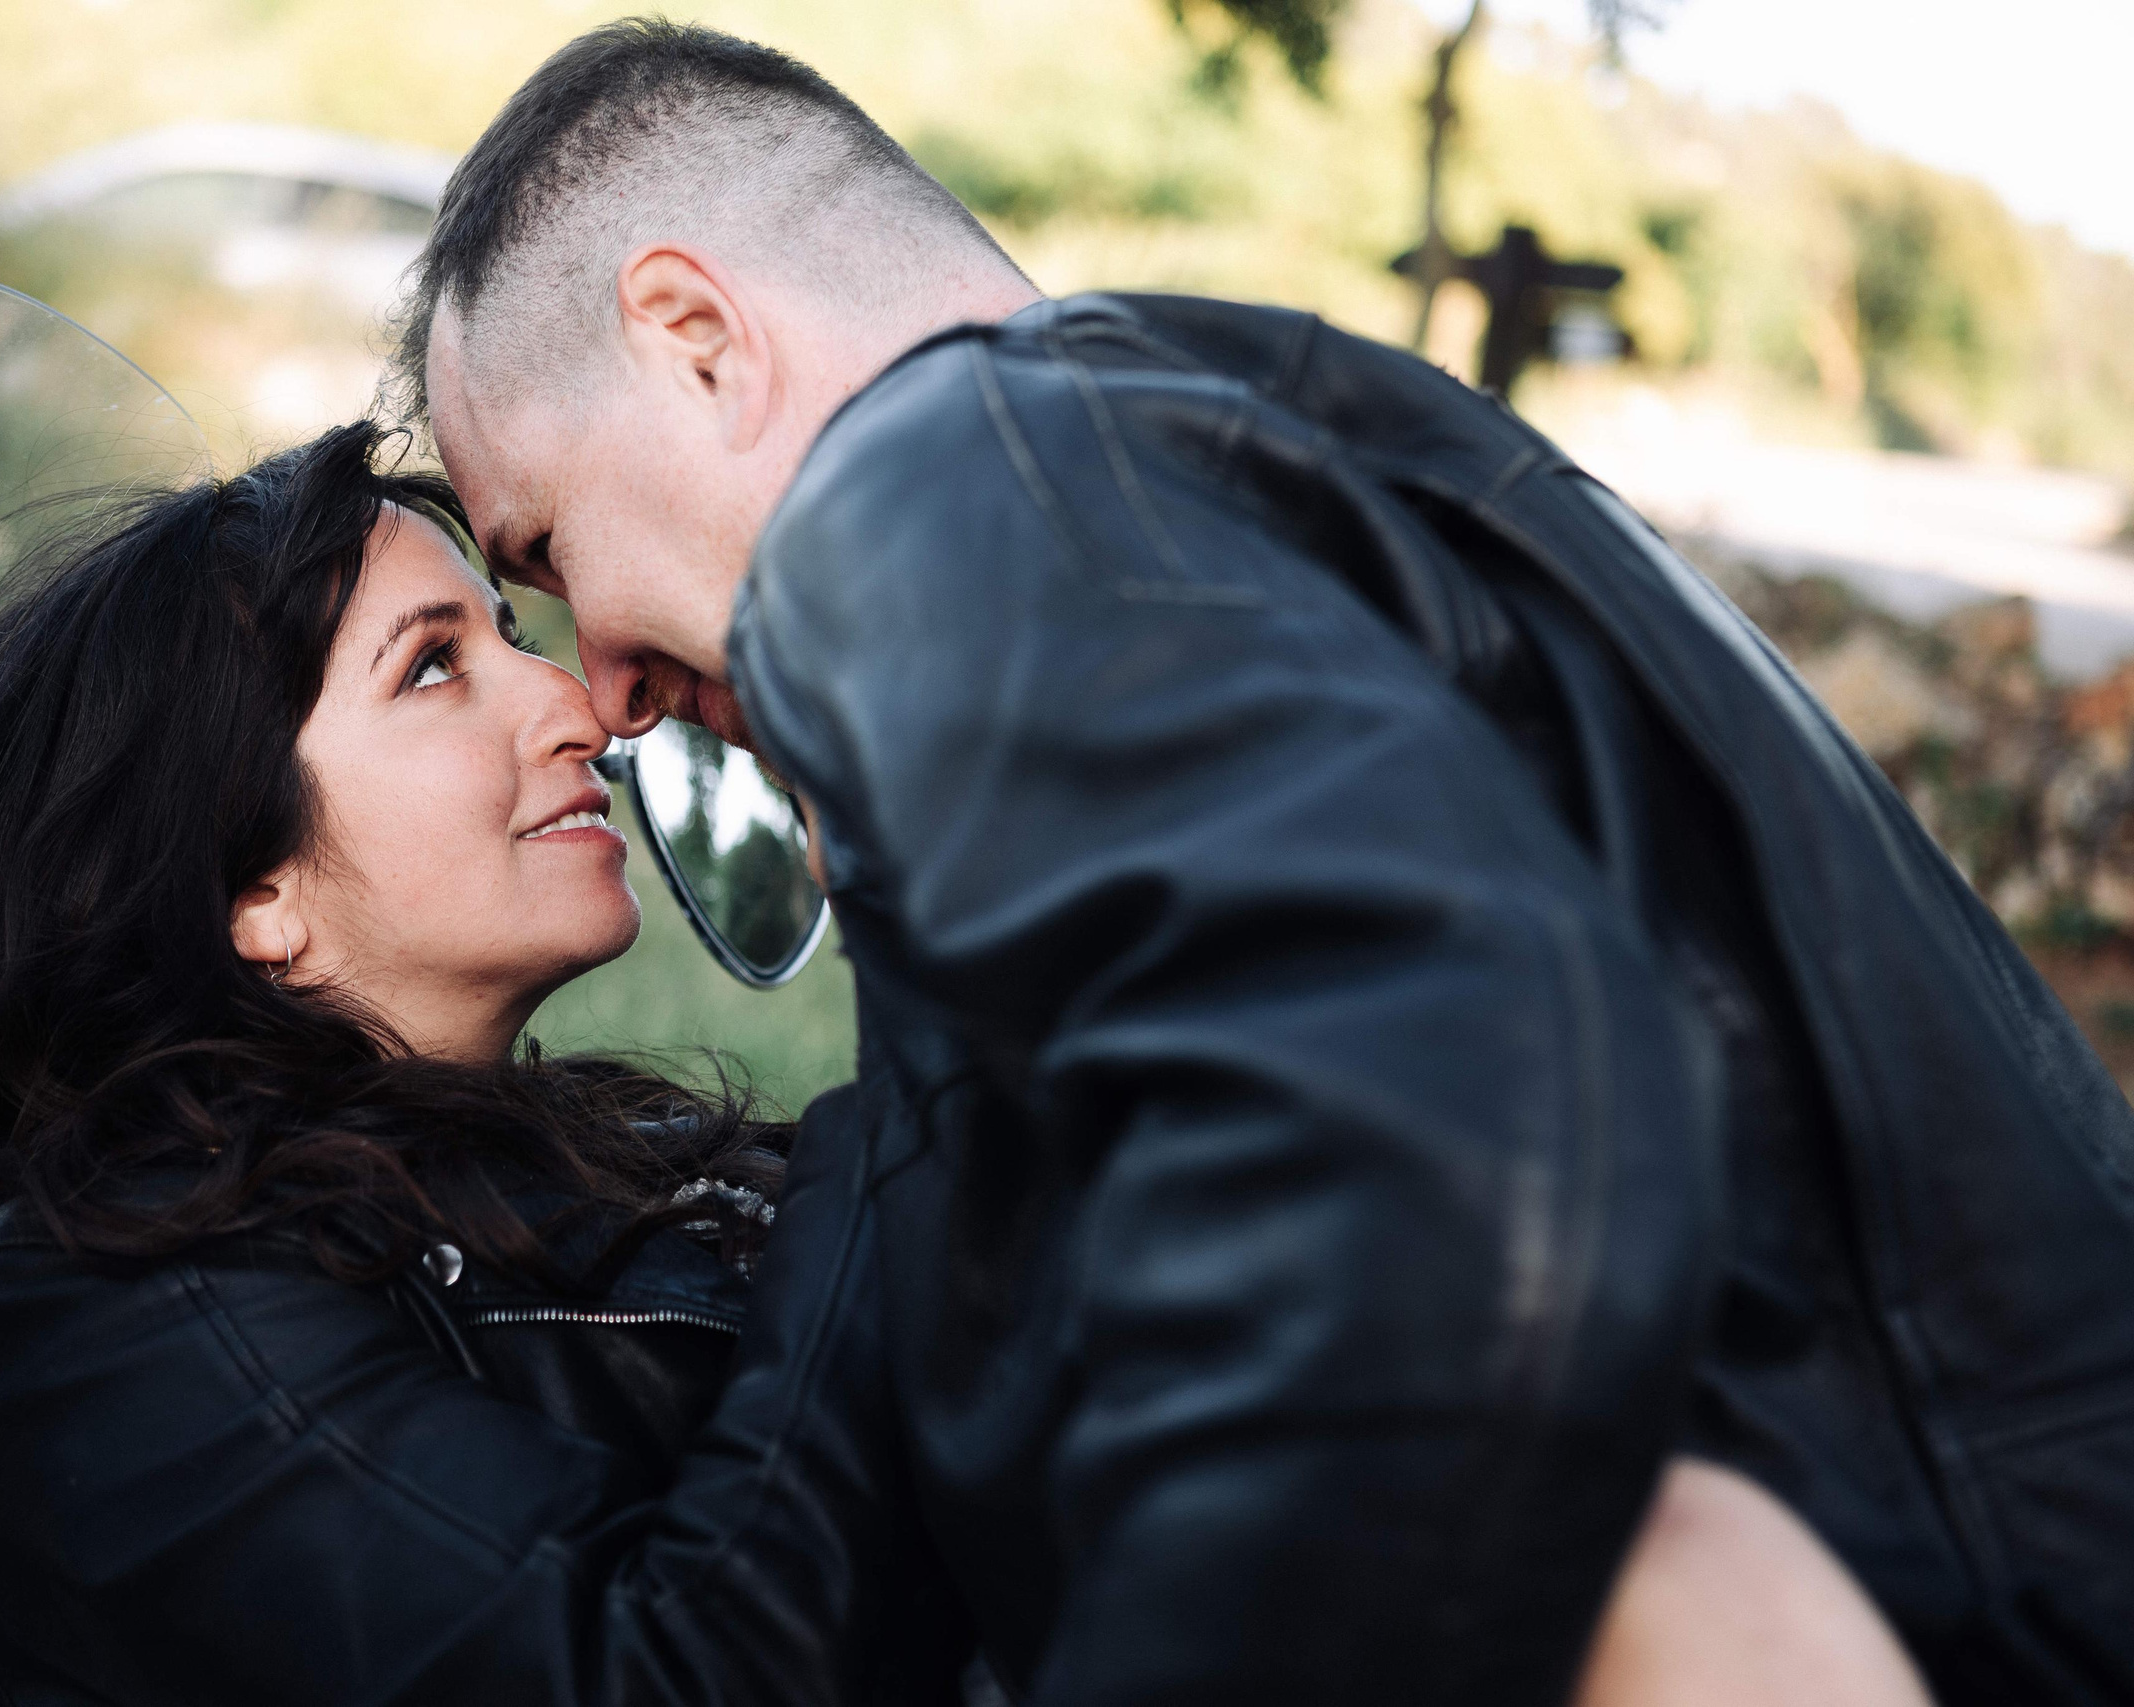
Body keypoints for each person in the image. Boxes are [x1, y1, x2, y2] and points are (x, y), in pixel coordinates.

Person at [393, 21, 2134, 1707]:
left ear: (698, 337)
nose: (604, 689)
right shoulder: (1211, 458)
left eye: (548, 549)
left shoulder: (936, 487)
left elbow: (1429, 1210)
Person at [0, 423, 967, 1706]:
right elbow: (667, 1679)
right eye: (432, 667)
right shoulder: (92, 1323)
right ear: (248, 883)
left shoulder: (581, 1139)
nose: (576, 708)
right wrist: (938, 987)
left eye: (512, 637)